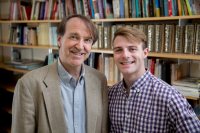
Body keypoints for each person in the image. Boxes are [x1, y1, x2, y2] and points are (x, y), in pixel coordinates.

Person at [11, 15, 108, 133]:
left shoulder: (100, 80)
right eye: (74, 37)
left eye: (87, 40)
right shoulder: (28, 85)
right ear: (59, 40)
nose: (80, 46)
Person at [108, 27, 200, 133]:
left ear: (145, 53)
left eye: (132, 49)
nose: (125, 55)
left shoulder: (170, 98)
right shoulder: (111, 95)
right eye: (118, 50)